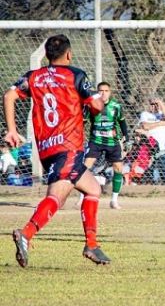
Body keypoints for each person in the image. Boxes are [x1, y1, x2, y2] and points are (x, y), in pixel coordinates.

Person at [3, 34, 111, 267]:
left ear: (47, 55)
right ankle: (26, 233)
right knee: (56, 197)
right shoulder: (76, 75)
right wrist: (96, 103)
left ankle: (91, 244)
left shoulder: (34, 77)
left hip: (46, 149)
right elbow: (96, 106)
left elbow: (9, 95)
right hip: (69, 147)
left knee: (92, 188)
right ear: (69, 54)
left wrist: (12, 130)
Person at [82, 82, 128, 209]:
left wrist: (126, 138)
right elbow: (83, 122)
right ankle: (82, 198)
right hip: (95, 140)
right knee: (86, 167)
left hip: (112, 141)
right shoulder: (90, 105)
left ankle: (114, 200)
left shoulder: (116, 106)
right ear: (97, 92)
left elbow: (122, 122)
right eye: (101, 90)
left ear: (110, 92)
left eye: (106, 90)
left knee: (118, 168)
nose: (103, 93)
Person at [138, 97, 165, 185]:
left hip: (163, 148)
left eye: (156, 104)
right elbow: (145, 126)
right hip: (149, 147)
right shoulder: (145, 114)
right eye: (152, 104)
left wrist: (160, 102)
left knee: (163, 170)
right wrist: (160, 123)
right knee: (148, 170)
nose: (154, 106)